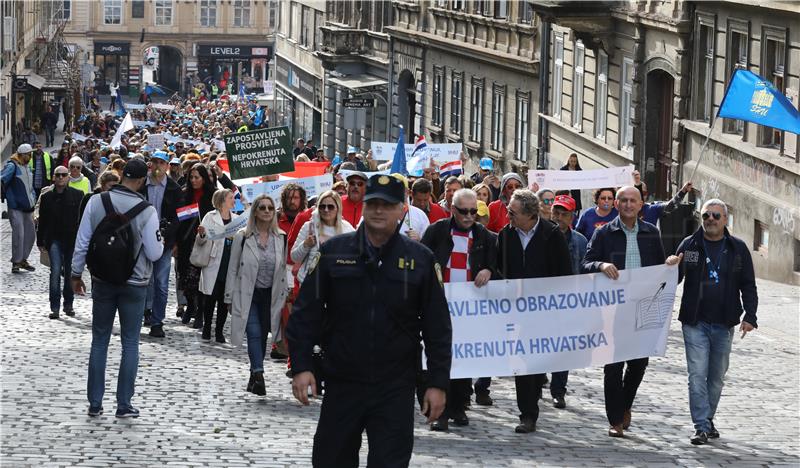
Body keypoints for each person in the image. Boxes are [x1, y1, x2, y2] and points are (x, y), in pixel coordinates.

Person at [286, 174, 452, 468]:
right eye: (373, 203)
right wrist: (301, 366)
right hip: (342, 380)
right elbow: (305, 313)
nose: (379, 211)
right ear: (363, 206)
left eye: (387, 205)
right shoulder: (334, 253)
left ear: (402, 209)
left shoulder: (421, 259)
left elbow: (437, 327)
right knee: (329, 460)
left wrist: (437, 383)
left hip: (395, 385)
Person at [70, 158, 164, 418]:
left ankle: (95, 402)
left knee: (99, 340)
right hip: (135, 283)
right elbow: (155, 253)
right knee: (130, 343)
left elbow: (82, 241)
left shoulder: (96, 201)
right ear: (142, 180)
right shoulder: (147, 210)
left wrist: (76, 274)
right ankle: (123, 404)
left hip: (103, 280)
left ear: (121, 175)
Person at [581, 186, 672, 438]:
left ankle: (625, 405)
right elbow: (585, 264)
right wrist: (600, 264)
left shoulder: (651, 233)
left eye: (633, 200)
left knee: (639, 363)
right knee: (613, 365)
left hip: (642, 307)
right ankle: (615, 419)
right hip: (612, 308)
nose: (628, 205)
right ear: (616, 205)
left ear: (641, 205)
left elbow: (659, 269)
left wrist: (670, 266)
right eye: (623, 200)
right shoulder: (604, 234)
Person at [668, 198, 758, 445]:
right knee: (697, 374)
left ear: (725, 219)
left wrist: (750, 316)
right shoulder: (690, 244)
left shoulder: (737, 248)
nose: (710, 220)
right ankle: (701, 426)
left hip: (724, 322)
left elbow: (748, 284)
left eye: (716, 216)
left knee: (716, 377)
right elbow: (672, 280)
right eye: (706, 215)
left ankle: (707, 420)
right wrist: (671, 266)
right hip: (694, 321)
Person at [421, 188, 496, 431]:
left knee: (464, 357)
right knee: (441, 356)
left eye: (473, 211)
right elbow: (423, 258)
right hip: (440, 303)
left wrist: (489, 271)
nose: (469, 216)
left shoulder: (484, 235)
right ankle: (439, 411)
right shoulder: (438, 230)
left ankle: (460, 405)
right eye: (464, 211)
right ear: (453, 209)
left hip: (469, 307)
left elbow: (496, 264)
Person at [496, 189, 572, 433]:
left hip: (544, 310)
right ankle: (527, 414)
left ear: (530, 215)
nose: (508, 215)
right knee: (521, 361)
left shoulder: (552, 234)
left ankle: (536, 391)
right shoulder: (505, 235)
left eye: (513, 212)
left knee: (536, 361)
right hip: (515, 310)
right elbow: (499, 268)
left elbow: (564, 273)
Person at [224, 194, 290, 395]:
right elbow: (233, 268)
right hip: (248, 293)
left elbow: (283, 269)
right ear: (255, 211)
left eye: (270, 208)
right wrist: (228, 296)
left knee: (262, 335)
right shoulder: (243, 237)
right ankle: (260, 374)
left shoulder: (281, 237)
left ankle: (254, 373)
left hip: (271, 295)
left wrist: (287, 293)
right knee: (252, 332)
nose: (267, 211)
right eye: (262, 208)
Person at [547, 194, 588, 409]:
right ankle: (535, 383)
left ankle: (558, 390)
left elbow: (585, 269)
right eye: (556, 212)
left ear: (572, 217)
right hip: (541, 302)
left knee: (563, 349)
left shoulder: (580, 241)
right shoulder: (541, 235)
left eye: (564, 214)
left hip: (568, 303)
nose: (559, 217)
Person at [140, 150, 182, 338]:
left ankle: (157, 321)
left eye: (161, 163)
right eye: (154, 162)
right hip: (141, 241)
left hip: (164, 242)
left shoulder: (173, 188)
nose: (157, 166)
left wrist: (169, 236)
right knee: (142, 280)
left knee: (161, 284)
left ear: (167, 166)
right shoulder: (141, 185)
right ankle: (144, 310)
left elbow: (178, 217)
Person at [37, 165, 84, 319]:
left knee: (70, 272)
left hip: (72, 240)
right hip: (54, 239)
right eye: (58, 175)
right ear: (54, 177)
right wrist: (40, 241)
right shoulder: (46, 197)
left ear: (68, 177)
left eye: (64, 175)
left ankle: (68, 304)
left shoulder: (78, 195)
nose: (61, 178)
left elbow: (82, 220)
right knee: (55, 271)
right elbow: (42, 220)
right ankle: (55, 306)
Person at [176, 163, 217, 328]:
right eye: (191, 177)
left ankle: (200, 311)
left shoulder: (212, 194)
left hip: (205, 240)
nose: (193, 181)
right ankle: (190, 305)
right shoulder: (185, 194)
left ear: (204, 178)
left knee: (201, 277)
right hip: (187, 241)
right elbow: (179, 220)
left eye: (197, 177)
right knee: (186, 276)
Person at [196, 189, 239, 342]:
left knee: (224, 299)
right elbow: (201, 240)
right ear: (222, 201)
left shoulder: (237, 219)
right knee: (210, 298)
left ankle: (219, 331)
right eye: (231, 198)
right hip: (213, 262)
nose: (234, 200)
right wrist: (202, 234)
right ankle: (207, 328)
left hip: (229, 262)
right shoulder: (210, 216)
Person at [291, 190, 354, 285]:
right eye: (322, 206)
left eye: (330, 206)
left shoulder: (347, 228)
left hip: (337, 285)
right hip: (310, 285)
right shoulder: (308, 227)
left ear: (338, 208)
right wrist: (305, 245)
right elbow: (294, 258)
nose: (326, 210)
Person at [2, 144, 37, 273]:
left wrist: (33, 198)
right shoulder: (12, 166)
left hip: (28, 207)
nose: (31, 156)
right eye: (29, 154)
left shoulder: (27, 166)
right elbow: (2, 179)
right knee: (19, 234)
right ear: (23, 155)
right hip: (16, 206)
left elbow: (30, 187)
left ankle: (23, 259)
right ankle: (16, 262)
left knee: (30, 234)